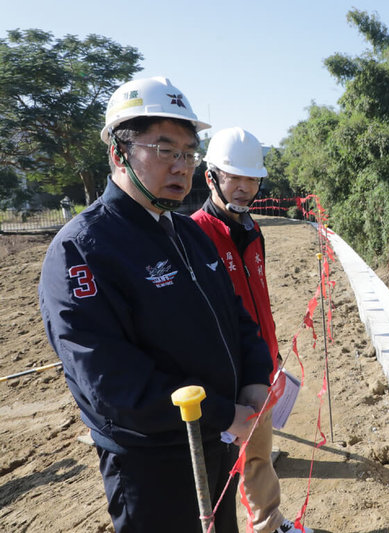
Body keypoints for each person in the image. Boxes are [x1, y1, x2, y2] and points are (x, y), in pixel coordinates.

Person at [38, 76, 277, 533]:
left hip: (217, 444)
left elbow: (238, 318)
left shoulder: (188, 233)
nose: (181, 166)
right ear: (119, 152)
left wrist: (252, 381)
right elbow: (111, 384)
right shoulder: (83, 251)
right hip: (153, 466)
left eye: (188, 152)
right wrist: (225, 413)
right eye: (164, 150)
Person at [192, 127, 309, 533]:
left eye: (251, 179)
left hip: (261, 365)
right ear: (211, 178)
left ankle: (268, 524)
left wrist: (271, 355)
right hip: (224, 379)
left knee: (259, 456)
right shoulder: (195, 236)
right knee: (223, 472)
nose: (243, 188)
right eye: (234, 178)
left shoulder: (252, 230)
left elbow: (259, 298)